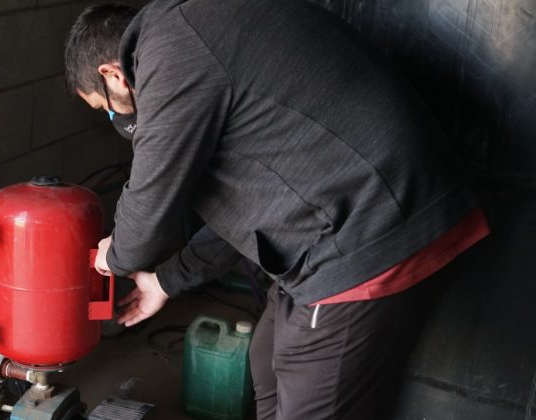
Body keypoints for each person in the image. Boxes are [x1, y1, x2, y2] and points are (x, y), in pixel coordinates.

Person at [64, 2, 490, 419]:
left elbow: (149, 198)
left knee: (307, 381)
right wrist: (166, 280)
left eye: (105, 109)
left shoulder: (175, 48)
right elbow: (240, 216)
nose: (115, 120)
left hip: (369, 230)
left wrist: (115, 253)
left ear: (113, 74)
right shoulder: (198, 36)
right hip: (351, 212)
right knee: (267, 360)